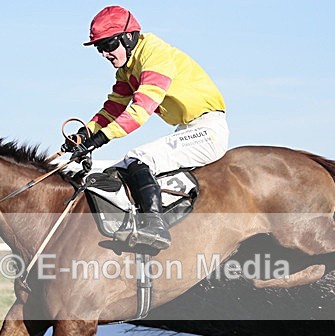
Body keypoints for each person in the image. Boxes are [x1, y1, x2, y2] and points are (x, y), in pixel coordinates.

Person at [61, 5, 229, 250]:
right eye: (100, 48)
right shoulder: (127, 68)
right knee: (114, 170)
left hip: (207, 130)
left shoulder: (155, 55)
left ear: (128, 37)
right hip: (186, 129)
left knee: (139, 157)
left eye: (108, 45)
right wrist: (85, 133)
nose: (105, 54)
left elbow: (140, 111)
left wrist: (99, 139)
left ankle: (155, 227)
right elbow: (113, 108)